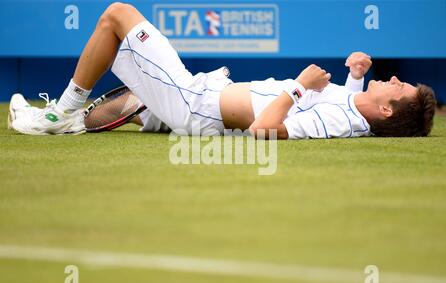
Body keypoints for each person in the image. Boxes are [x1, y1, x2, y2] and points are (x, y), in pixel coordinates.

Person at [9, 2, 437, 139]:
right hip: (205, 96)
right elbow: (348, 102)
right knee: (139, 106)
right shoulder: (355, 104)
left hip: (196, 106)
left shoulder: (339, 120)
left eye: (399, 88)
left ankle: (58, 114)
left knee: (118, 14)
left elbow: (264, 132)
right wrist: (357, 74)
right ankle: (110, 115)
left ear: (385, 112)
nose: (395, 79)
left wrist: (301, 88)